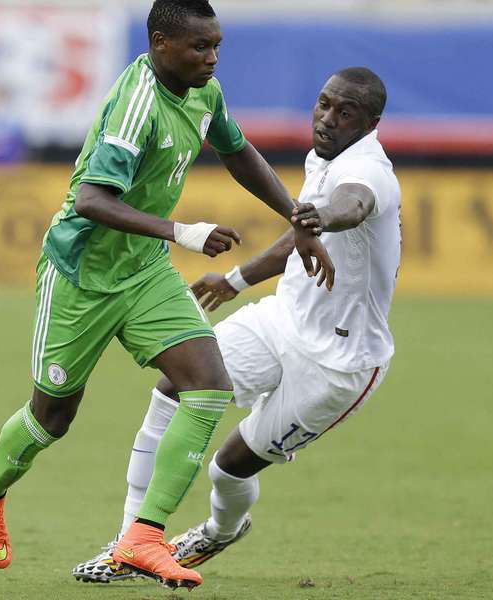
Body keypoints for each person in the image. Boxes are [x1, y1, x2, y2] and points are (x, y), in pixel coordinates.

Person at [0, 0, 332, 591]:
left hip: (144, 273)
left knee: (208, 385)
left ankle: (142, 537)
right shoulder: (136, 106)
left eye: (216, 46)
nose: (211, 57)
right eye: (199, 47)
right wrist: (182, 231)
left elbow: (236, 152)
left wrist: (298, 216)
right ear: (161, 44)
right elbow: (89, 201)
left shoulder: (203, 91)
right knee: (51, 418)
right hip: (81, 275)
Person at [72, 66, 400, 583]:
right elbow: (302, 234)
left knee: (228, 467)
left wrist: (322, 217)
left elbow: (351, 206)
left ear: (372, 123)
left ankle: (221, 530)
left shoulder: (370, 171)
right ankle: (129, 539)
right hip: (280, 321)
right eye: (323, 105)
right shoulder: (322, 158)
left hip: (340, 364)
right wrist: (235, 280)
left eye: (345, 113)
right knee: (178, 384)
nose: (327, 119)